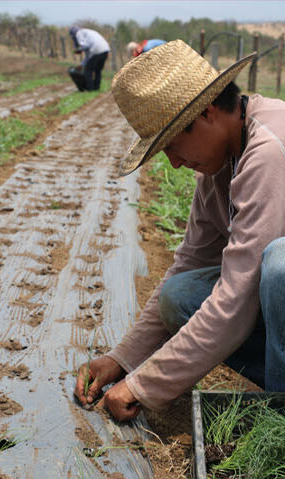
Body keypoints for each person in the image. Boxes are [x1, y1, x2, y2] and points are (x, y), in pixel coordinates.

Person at [76, 41, 285, 422]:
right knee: (181, 294)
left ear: (207, 113)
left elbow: (236, 301)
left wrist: (144, 385)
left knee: (279, 266)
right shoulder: (221, 164)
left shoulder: (269, 150)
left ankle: (278, 416)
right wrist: (123, 359)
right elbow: (190, 261)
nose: (173, 163)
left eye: (171, 144)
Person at [69, 26, 110, 91]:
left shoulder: (78, 33)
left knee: (88, 70)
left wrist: (79, 50)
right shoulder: (89, 31)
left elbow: (85, 46)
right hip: (105, 49)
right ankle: (96, 88)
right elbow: (88, 54)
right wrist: (82, 64)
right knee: (98, 70)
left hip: (96, 49)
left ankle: (89, 88)